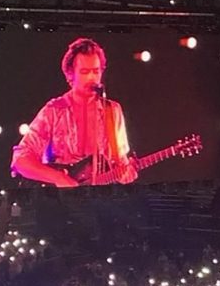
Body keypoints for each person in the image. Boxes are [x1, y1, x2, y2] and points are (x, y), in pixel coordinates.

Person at [10, 37, 138, 188]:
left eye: (96, 71)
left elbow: (119, 164)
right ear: (70, 74)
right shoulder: (55, 110)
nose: (92, 78)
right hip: (61, 202)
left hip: (100, 201)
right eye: (84, 72)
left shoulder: (113, 111)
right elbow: (21, 159)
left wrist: (126, 174)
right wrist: (58, 177)